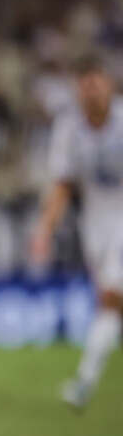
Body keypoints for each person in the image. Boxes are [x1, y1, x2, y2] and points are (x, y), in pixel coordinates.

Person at [32, 56, 123, 410]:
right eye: (85, 85)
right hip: (95, 225)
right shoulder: (68, 128)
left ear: (108, 85)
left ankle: (84, 384)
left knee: (112, 298)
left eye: (96, 84)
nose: (91, 92)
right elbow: (62, 185)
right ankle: (85, 383)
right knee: (112, 305)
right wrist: (44, 229)